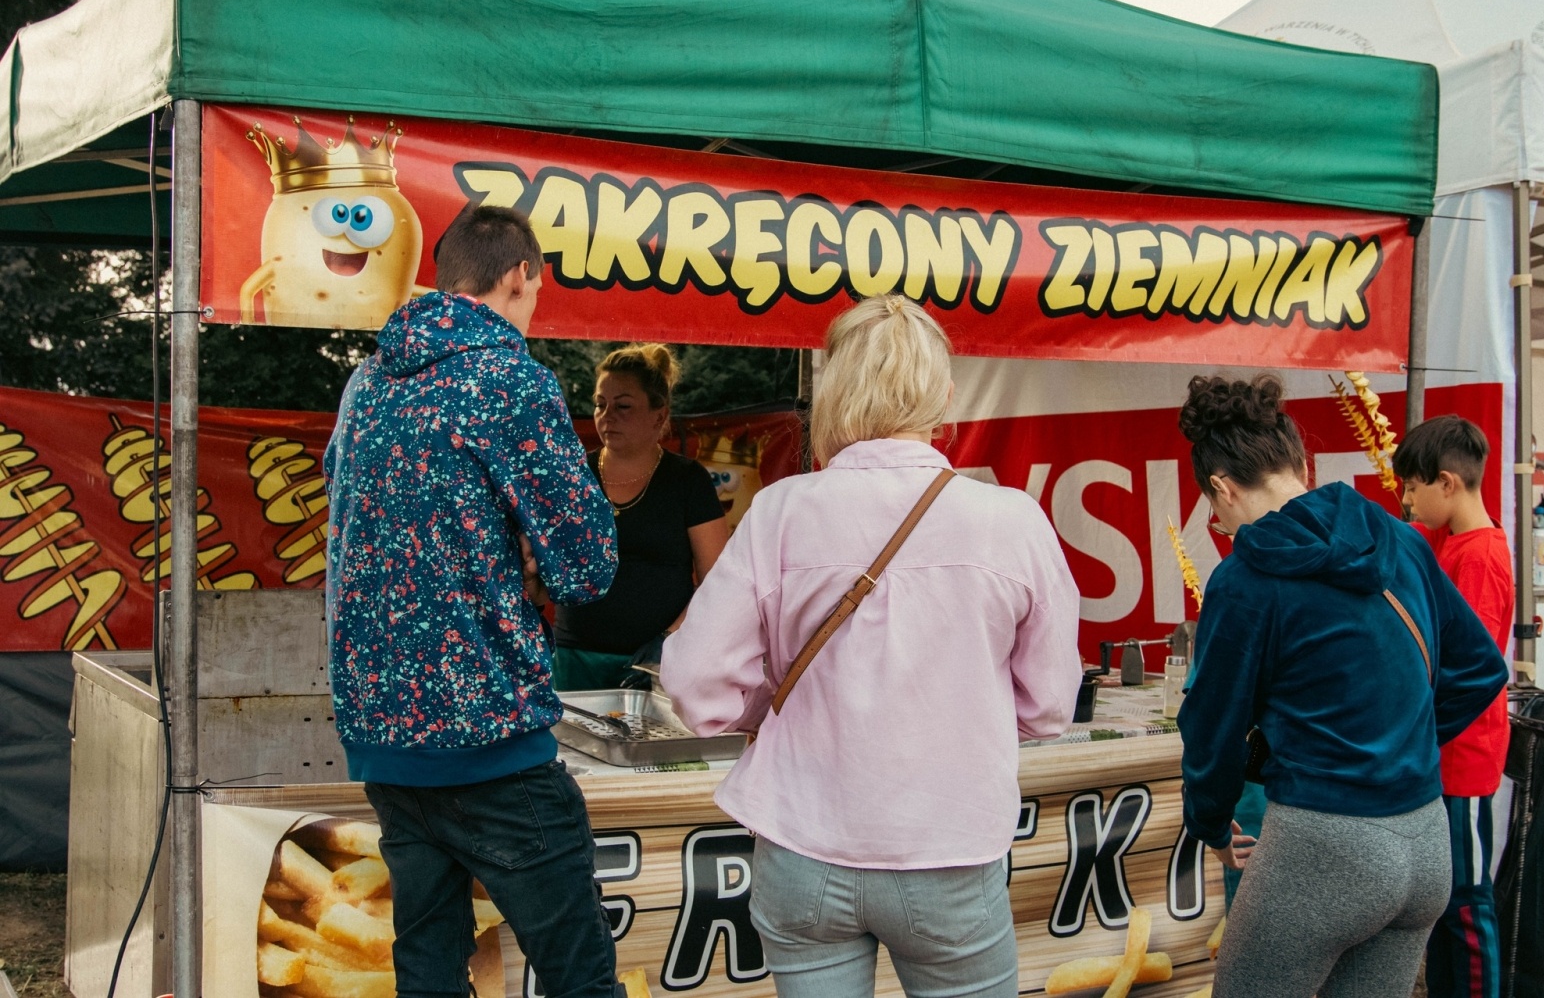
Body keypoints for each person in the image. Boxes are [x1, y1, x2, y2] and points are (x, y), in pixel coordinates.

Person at [660, 295, 1081, 998]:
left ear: (835, 392)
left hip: (801, 844)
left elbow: (696, 682)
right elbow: (1048, 708)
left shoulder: (781, 512)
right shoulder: (1011, 521)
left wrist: (773, 706)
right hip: (949, 846)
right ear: (941, 394)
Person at [324, 204, 625, 998]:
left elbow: (362, 514)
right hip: (486, 734)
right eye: (536, 289)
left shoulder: (366, 382)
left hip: (382, 734)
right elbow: (588, 563)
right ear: (520, 274)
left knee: (427, 967)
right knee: (579, 976)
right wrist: (525, 551)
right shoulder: (508, 377)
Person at [1175, 374, 1508, 998]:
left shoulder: (1245, 580)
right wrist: (1396, 741)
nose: (1218, 521)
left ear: (1220, 486)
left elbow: (1210, 728)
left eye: (1213, 507)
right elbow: (1482, 670)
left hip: (1322, 848)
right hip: (1426, 840)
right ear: (1302, 464)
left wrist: (1213, 825)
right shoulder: (1403, 540)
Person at [1394, 415, 1513, 998]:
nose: (1407, 502)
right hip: (1438, 752)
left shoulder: (1482, 557)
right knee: (1443, 901)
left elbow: (1473, 669)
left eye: (1412, 489)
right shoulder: (1448, 542)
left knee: (1466, 900)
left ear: (1448, 484)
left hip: (1463, 755)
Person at [552, 344, 729, 689]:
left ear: (659, 416)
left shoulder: (687, 480)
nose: (607, 415)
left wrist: (667, 642)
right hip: (574, 657)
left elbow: (717, 581)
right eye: (601, 404)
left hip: (654, 664)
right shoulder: (573, 474)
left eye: (623, 406)